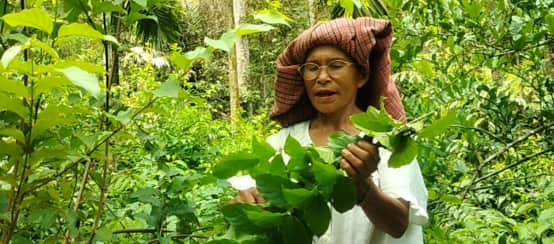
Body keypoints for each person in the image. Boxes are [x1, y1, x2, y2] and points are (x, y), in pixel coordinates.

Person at [228, 17, 428, 243]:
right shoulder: (282, 143)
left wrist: (363, 188)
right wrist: (245, 204)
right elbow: (242, 203)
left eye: (336, 65)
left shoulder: (385, 139)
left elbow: (398, 224)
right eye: (312, 68)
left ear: (361, 76)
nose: (322, 78)